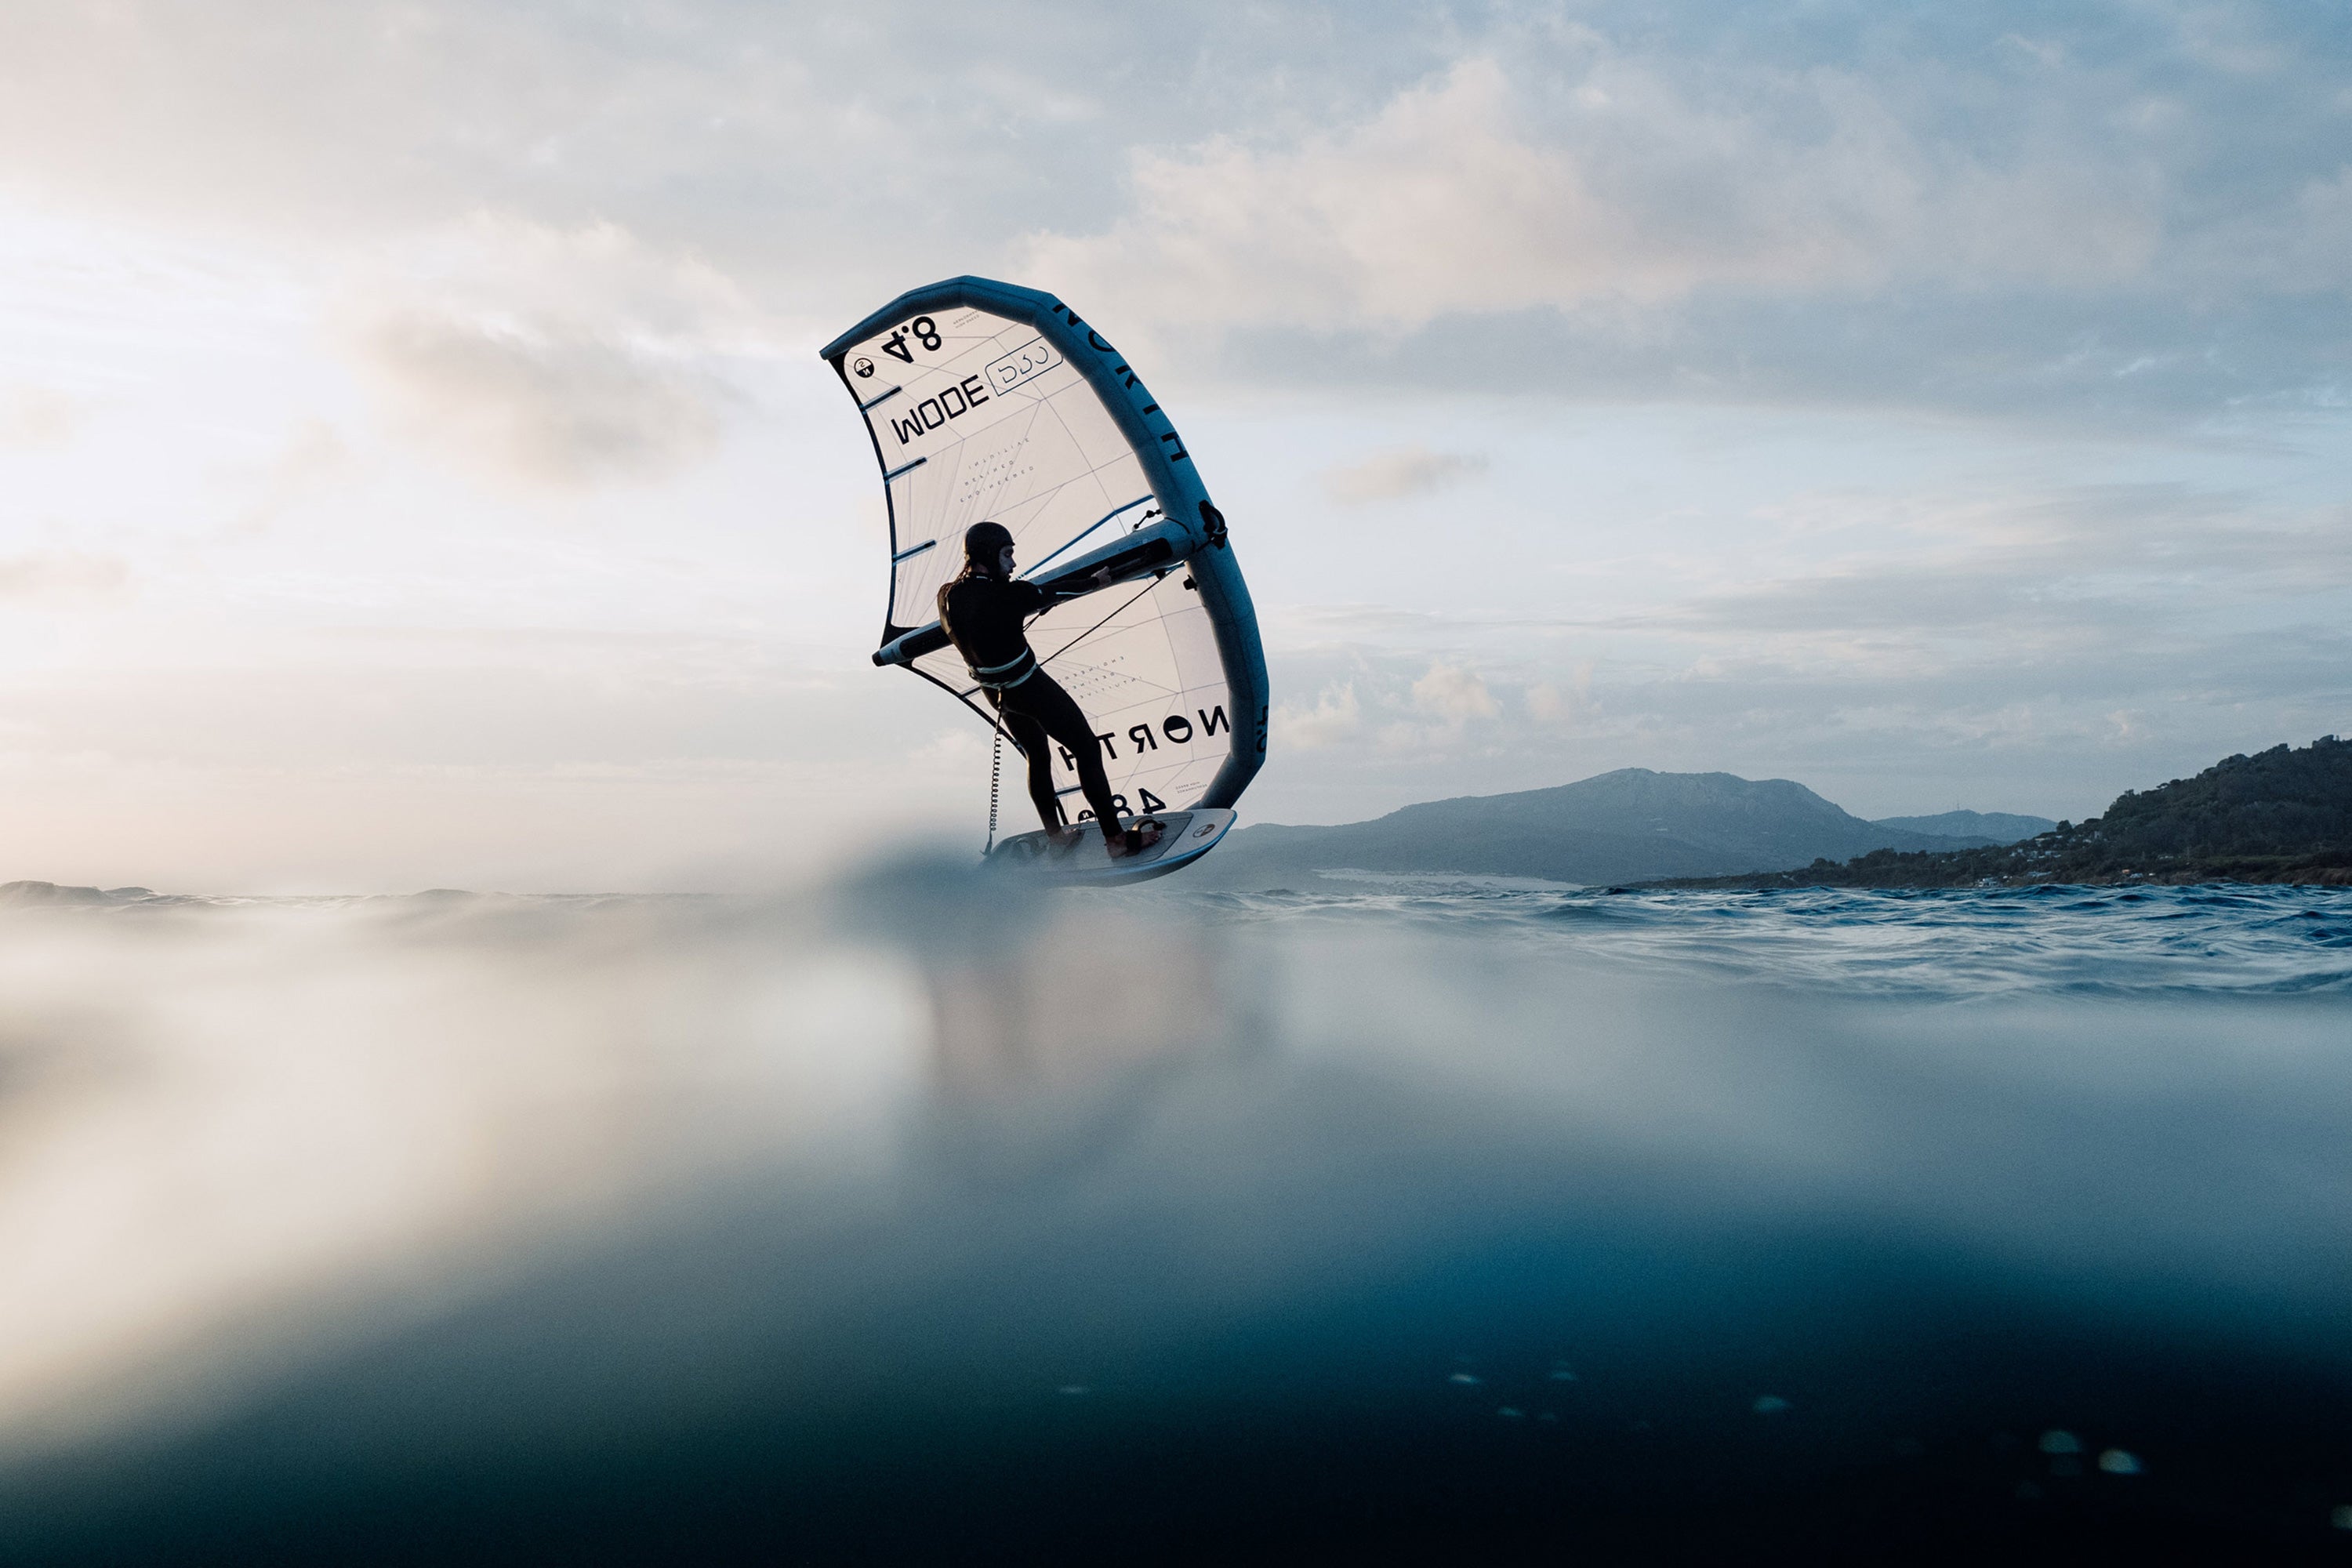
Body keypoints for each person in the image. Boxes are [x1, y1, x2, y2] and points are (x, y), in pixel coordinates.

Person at [938, 521, 1163, 860]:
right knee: (1086, 747)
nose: (1013, 565)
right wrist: (1096, 581)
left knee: (1037, 754)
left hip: (996, 693)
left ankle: (1055, 835)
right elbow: (1057, 592)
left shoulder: (947, 596)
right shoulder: (1008, 596)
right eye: (1008, 554)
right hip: (1027, 687)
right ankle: (1116, 839)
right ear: (988, 554)